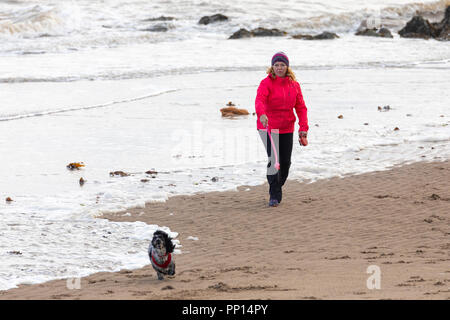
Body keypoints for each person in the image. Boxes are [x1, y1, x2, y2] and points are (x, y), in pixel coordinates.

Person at [255, 52, 309, 207]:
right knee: (274, 161)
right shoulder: (266, 83)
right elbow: (260, 100)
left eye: (282, 65)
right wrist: (262, 114)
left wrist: (303, 128)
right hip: (268, 127)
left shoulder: (294, 85)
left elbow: (301, 108)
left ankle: (277, 186)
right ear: (272, 67)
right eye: (276, 65)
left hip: (286, 127)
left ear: (287, 67)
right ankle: (274, 194)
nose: (279, 68)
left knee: (285, 163)